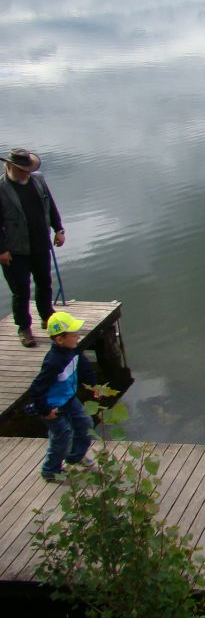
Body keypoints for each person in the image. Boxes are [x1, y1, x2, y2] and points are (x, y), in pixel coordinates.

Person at [0, 149, 65, 348]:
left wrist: (59, 228)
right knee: (21, 291)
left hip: (40, 244)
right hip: (15, 250)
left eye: (27, 170)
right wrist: (1, 250)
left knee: (45, 282)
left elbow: (50, 206)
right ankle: (24, 328)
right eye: (21, 170)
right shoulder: (1, 188)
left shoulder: (38, 180)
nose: (25, 174)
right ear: (9, 167)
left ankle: (47, 317)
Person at [26, 311, 94, 483]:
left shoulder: (74, 350)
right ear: (59, 339)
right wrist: (45, 410)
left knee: (86, 425)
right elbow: (36, 389)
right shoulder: (53, 362)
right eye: (73, 335)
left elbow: (84, 366)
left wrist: (94, 385)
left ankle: (75, 456)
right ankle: (51, 469)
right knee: (62, 436)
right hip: (52, 405)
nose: (78, 337)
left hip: (69, 399)